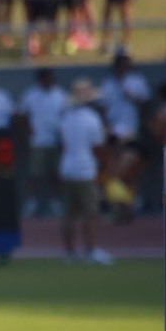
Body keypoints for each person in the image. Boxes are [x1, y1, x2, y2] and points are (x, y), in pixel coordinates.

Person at [57, 78, 112, 265]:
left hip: (67, 169)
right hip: (85, 170)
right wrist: (105, 166)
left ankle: (70, 252)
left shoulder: (65, 118)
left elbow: (63, 145)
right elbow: (97, 147)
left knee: (69, 214)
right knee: (91, 213)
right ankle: (92, 250)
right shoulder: (92, 119)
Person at [98, 51, 149, 221]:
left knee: (128, 169)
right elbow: (103, 108)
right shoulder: (107, 84)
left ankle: (130, 199)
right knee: (112, 169)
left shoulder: (137, 81)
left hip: (130, 131)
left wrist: (131, 96)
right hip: (113, 132)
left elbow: (144, 102)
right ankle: (117, 202)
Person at [16, 67, 67, 217]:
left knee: (55, 174)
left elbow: (66, 116)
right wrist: (28, 131)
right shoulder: (30, 95)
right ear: (40, 80)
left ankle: (56, 203)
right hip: (37, 142)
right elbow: (21, 115)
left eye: (50, 78)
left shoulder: (60, 94)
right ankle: (31, 203)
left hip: (55, 141)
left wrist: (62, 136)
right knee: (34, 174)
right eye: (45, 78)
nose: (49, 81)